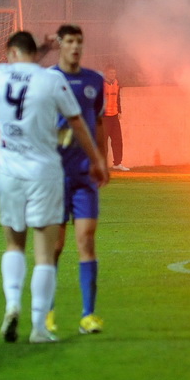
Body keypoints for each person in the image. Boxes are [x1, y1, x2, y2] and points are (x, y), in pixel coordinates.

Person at [0, 31, 108, 344]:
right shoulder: (52, 81)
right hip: (44, 173)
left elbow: (22, 63)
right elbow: (79, 124)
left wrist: (42, 48)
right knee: (45, 254)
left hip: (9, 173)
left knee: (14, 245)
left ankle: (13, 302)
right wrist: (97, 159)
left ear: (11, 52)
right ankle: (39, 327)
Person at [48, 24, 109, 336]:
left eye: (79, 42)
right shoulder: (47, 80)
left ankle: (88, 315)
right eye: (69, 41)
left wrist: (103, 160)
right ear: (60, 43)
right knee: (54, 248)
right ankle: (46, 314)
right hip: (53, 176)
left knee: (86, 240)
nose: (75, 47)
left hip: (84, 175)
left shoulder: (94, 80)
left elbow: (98, 123)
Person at [103, 64, 129, 171]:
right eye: (111, 73)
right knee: (103, 141)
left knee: (117, 140)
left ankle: (117, 163)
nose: (113, 75)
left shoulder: (117, 83)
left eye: (114, 73)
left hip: (114, 116)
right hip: (104, 117)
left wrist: (119, 111)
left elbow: (118, 98)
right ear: (106, 74)